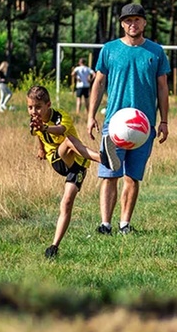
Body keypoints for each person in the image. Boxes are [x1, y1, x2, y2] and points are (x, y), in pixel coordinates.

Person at [86, 3, 171, 235]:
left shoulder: (156, 52)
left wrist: (163, 121)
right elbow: (99, 82)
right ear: (122, 24)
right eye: (127, 20)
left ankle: (124, 224)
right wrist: (91, 116)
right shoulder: (109, 49)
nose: (132, 24)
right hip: (113, 126)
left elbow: (163, 88)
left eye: (137, 20)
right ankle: (105, 224)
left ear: (144, 23)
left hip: (143, 127)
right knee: (109, 175)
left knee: (132, 177)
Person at [26, 85, 119, 258]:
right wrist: (41, 149)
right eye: (30, 107)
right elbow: (38, 134)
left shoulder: (61, 116)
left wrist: (44, 129)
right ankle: (103, 159)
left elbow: (60, 130)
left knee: (67, 202)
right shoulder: (34, 122)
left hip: (79, 165)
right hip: (58, 160)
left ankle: (53, 247)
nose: (34, 111)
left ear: (48, 105)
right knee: (68, 142)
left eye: (38, 107)